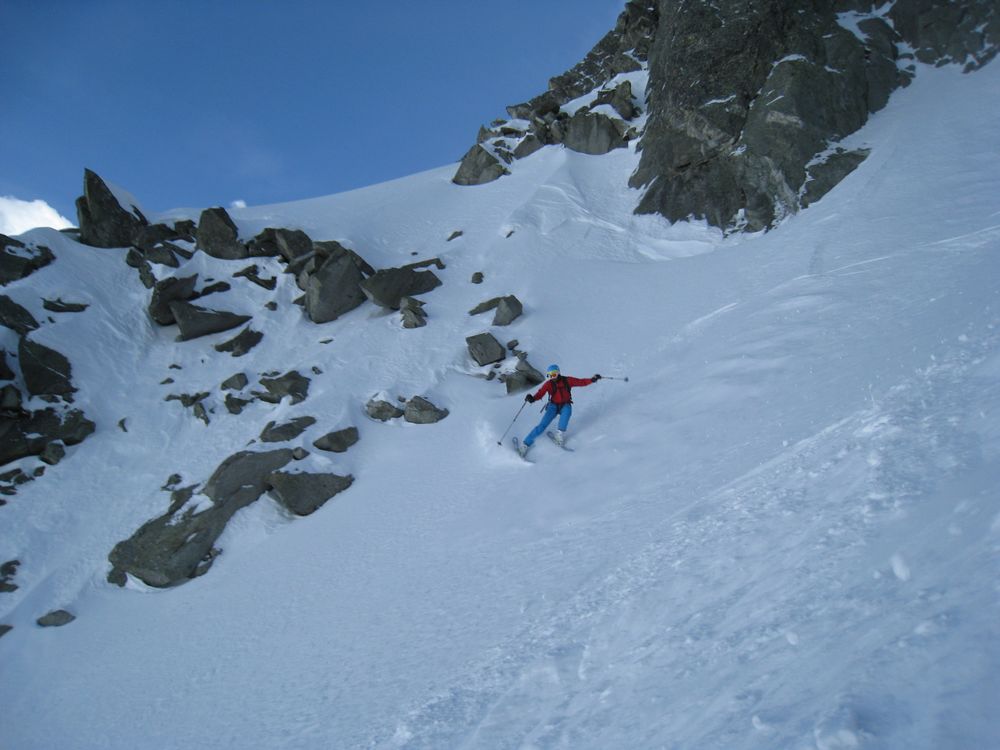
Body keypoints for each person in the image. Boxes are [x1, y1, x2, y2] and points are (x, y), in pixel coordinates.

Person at [519, 364, 601, 456]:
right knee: (542, 426)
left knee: (567, 412)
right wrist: (532, 398)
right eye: (549, 375)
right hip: (552, 406)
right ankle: (525, 444)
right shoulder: (548, 384)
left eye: (554, 375)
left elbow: (581, 382)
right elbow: (540, 393)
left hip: (565, 404)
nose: (552, 377)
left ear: (558, 373)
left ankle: (559, 436)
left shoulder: (567, 380)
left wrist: (592, 380)